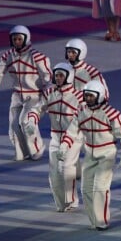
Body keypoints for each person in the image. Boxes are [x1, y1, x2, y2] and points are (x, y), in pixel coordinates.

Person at [58, 80, 121, 230]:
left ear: (101, 96)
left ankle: (102, 221)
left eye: (91, 96)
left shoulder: (111, 114)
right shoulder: (81, 112)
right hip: (90, 153)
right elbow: (72, 131)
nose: (88, 98)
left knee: (100, 188)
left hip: (107, 153)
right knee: (86, 189)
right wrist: (64, 146)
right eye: (86, 95)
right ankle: (94, 221)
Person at [0, 25, 52, 161]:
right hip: (17, 96)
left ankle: (37, 148)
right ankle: (22, 151)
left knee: (26, 121)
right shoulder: (9, 55)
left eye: (19, 39)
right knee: (14, 124)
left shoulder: (37, 57)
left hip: (34, 95)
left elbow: (48, 78)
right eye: (14, 39)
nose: (16, 41)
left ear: (26, 39)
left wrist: (49, 98)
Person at [28, 62, 84, 212]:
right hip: (55, 138)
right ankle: (62, 204)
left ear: (69, 77)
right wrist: (32, 121)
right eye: (56, 75)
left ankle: (71, 200)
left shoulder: (78, 96)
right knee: (54, 174)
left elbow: (83, 120)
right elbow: (38, 108)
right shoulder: (49, 93)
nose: (57, 78)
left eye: (61, 75)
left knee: (64, 167)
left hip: (74, 138)